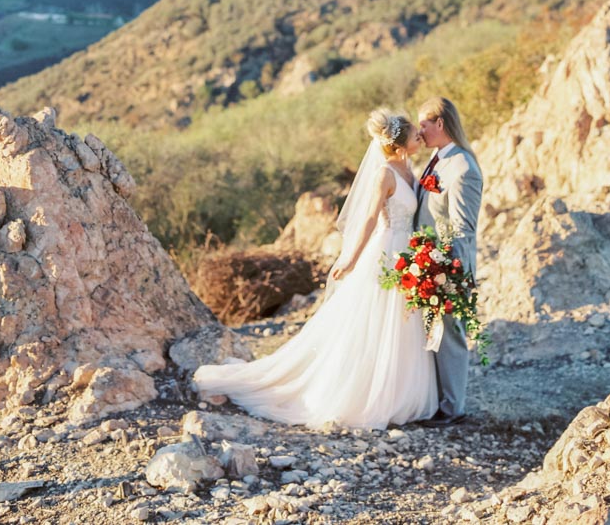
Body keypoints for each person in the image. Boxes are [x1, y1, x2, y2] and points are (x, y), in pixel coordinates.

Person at [193, 109, 437, 429]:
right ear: (398, 142)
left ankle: (400, 393)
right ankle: (364, 396)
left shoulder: (409, 169)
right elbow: (367, 220)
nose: (419, 135)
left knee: (401, 324)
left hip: (408, 253)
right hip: (386, 253)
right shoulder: (385, 175)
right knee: (375, 323)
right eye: (413, 133)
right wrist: (349, 259)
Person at [415, 96, 483, 427]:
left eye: (423, 124)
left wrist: (447, 270)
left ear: (440, 124)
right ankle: (430, 399)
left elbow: (463, 228)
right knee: (431, 334)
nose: (419, 130)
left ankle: (453, 409)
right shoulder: (437, 159)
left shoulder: (463, 168)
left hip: (449, 266)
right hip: (426, 262)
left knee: (450, 333)